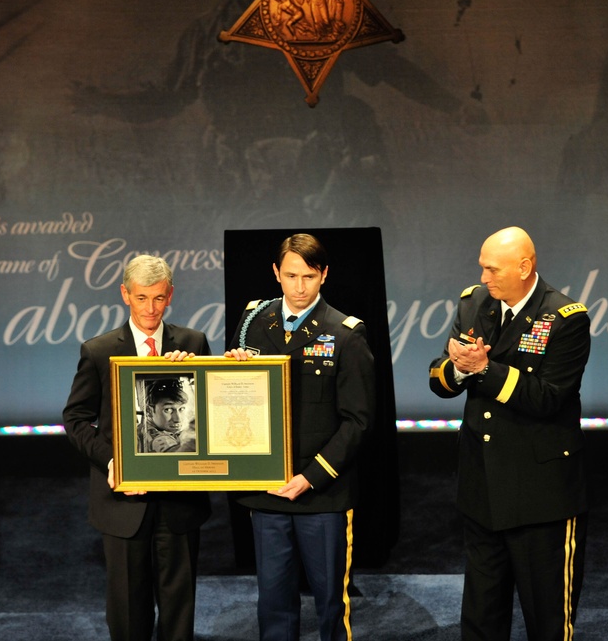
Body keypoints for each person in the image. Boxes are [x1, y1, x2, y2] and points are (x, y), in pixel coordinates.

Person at [428, 226, 591, 641]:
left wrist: (483, 369)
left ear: (525, 267)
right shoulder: (474, 303)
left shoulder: (565, 318)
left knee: (547, 619)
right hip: (482, 489)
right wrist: (460, 368)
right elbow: (440, 375)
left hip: (540, 495)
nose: (484, 278)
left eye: (492, 269)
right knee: (481, 618)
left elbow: (548, 398)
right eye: (482, 268)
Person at [226, 233, 375, 641]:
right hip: (269, 487)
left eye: (308, 276)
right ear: (276, 273)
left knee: (330, 602)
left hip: (323, 492)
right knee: (273, 601)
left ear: (324, 275)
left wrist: (311, 476)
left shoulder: (345, 334)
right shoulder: (253, 321)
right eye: (290, 275)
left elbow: (357, 421)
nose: (299, 286)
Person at [62, 254, 211, 641]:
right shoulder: (98, 351)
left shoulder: (193, 344)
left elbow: (211, 416)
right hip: (124, 503)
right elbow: (76, 420)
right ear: (125, 295)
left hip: (180, 502)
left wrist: (198, 376)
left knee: (179, 609)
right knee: (128, 610)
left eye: (159, 298)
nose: (150, 308)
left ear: (171, 295)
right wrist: (115, 461)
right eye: (142, 298)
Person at [138, 376, 196, 454]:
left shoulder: (142, 427)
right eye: (168, 410)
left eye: (181, 409)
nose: (177, 419)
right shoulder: (155, 436)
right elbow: (176, 454)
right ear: (149, 411)